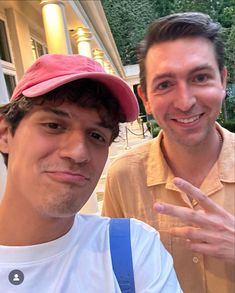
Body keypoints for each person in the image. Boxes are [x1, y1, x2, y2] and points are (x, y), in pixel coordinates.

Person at [0, 54, 182, 292]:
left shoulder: (132, 248)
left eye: (96, 136)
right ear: (5, 134)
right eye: (53, 125)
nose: (78, 153)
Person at [102, 12, 235, 293]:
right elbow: (112, 273)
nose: (185, 102)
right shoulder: (123, 175)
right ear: (146, 99)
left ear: (222, 81)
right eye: (164, 84)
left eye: (200, 77)